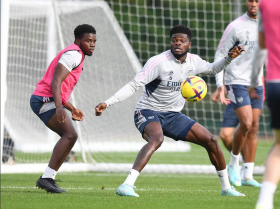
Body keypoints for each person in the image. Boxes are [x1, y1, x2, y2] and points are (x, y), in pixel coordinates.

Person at [96, 25, 245, 197]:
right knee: (157, 138)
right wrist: (108, 103)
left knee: (211, 140)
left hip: (173, 115)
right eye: (174, 40)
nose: (178, 43)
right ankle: (126, 185)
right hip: (147, 110)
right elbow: (133, 85)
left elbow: (212, 69)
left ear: (189, 44)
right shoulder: (158, 62)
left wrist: (228, 58)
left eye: (182, 41)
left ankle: (227, 188)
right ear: (170, 42)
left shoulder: (194, 61)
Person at [30, 24, 97, 193]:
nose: (92, 44)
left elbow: (59, 87)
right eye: (88, 40)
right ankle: (46, 178)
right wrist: (59, 107)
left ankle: (48, 178)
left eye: (94, 41)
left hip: (48, 100)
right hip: (44, 100)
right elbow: (56, 81)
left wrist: (72, 108)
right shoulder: (73, 55)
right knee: (70, 134)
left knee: (70, 136)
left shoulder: (77, 55)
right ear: (77, 41)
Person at [214, 0, 263, 187]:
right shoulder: (235, 26)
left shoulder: (269, 24)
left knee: (254, 127)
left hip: (256, 83)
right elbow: (220, 55)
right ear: (245, 2)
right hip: (235, 82)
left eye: (258, 1)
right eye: (250, 0)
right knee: (246, 123)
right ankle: (234, 164)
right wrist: (221, 85)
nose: (254, 4)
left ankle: (248, 175)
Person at [248, 0, 280, 208]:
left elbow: (261, 49)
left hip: (275, 84)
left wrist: (253, 81)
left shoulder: (266, 6)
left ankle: (264, 201)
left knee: (279, 146)